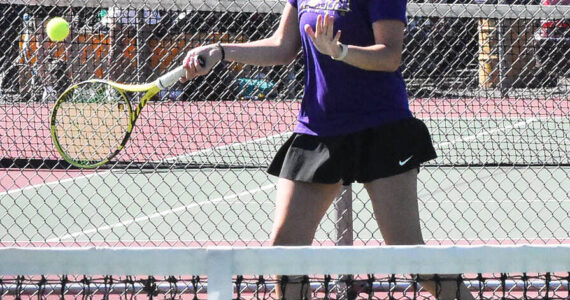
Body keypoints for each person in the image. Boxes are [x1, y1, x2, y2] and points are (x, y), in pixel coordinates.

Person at [180, 0, 475, 299]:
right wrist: (221, 51)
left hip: (382, 129)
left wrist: (339, 51)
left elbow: (389, 55)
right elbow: (283, 47)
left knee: (413, 258)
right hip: (318, 130)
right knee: (285, 257)